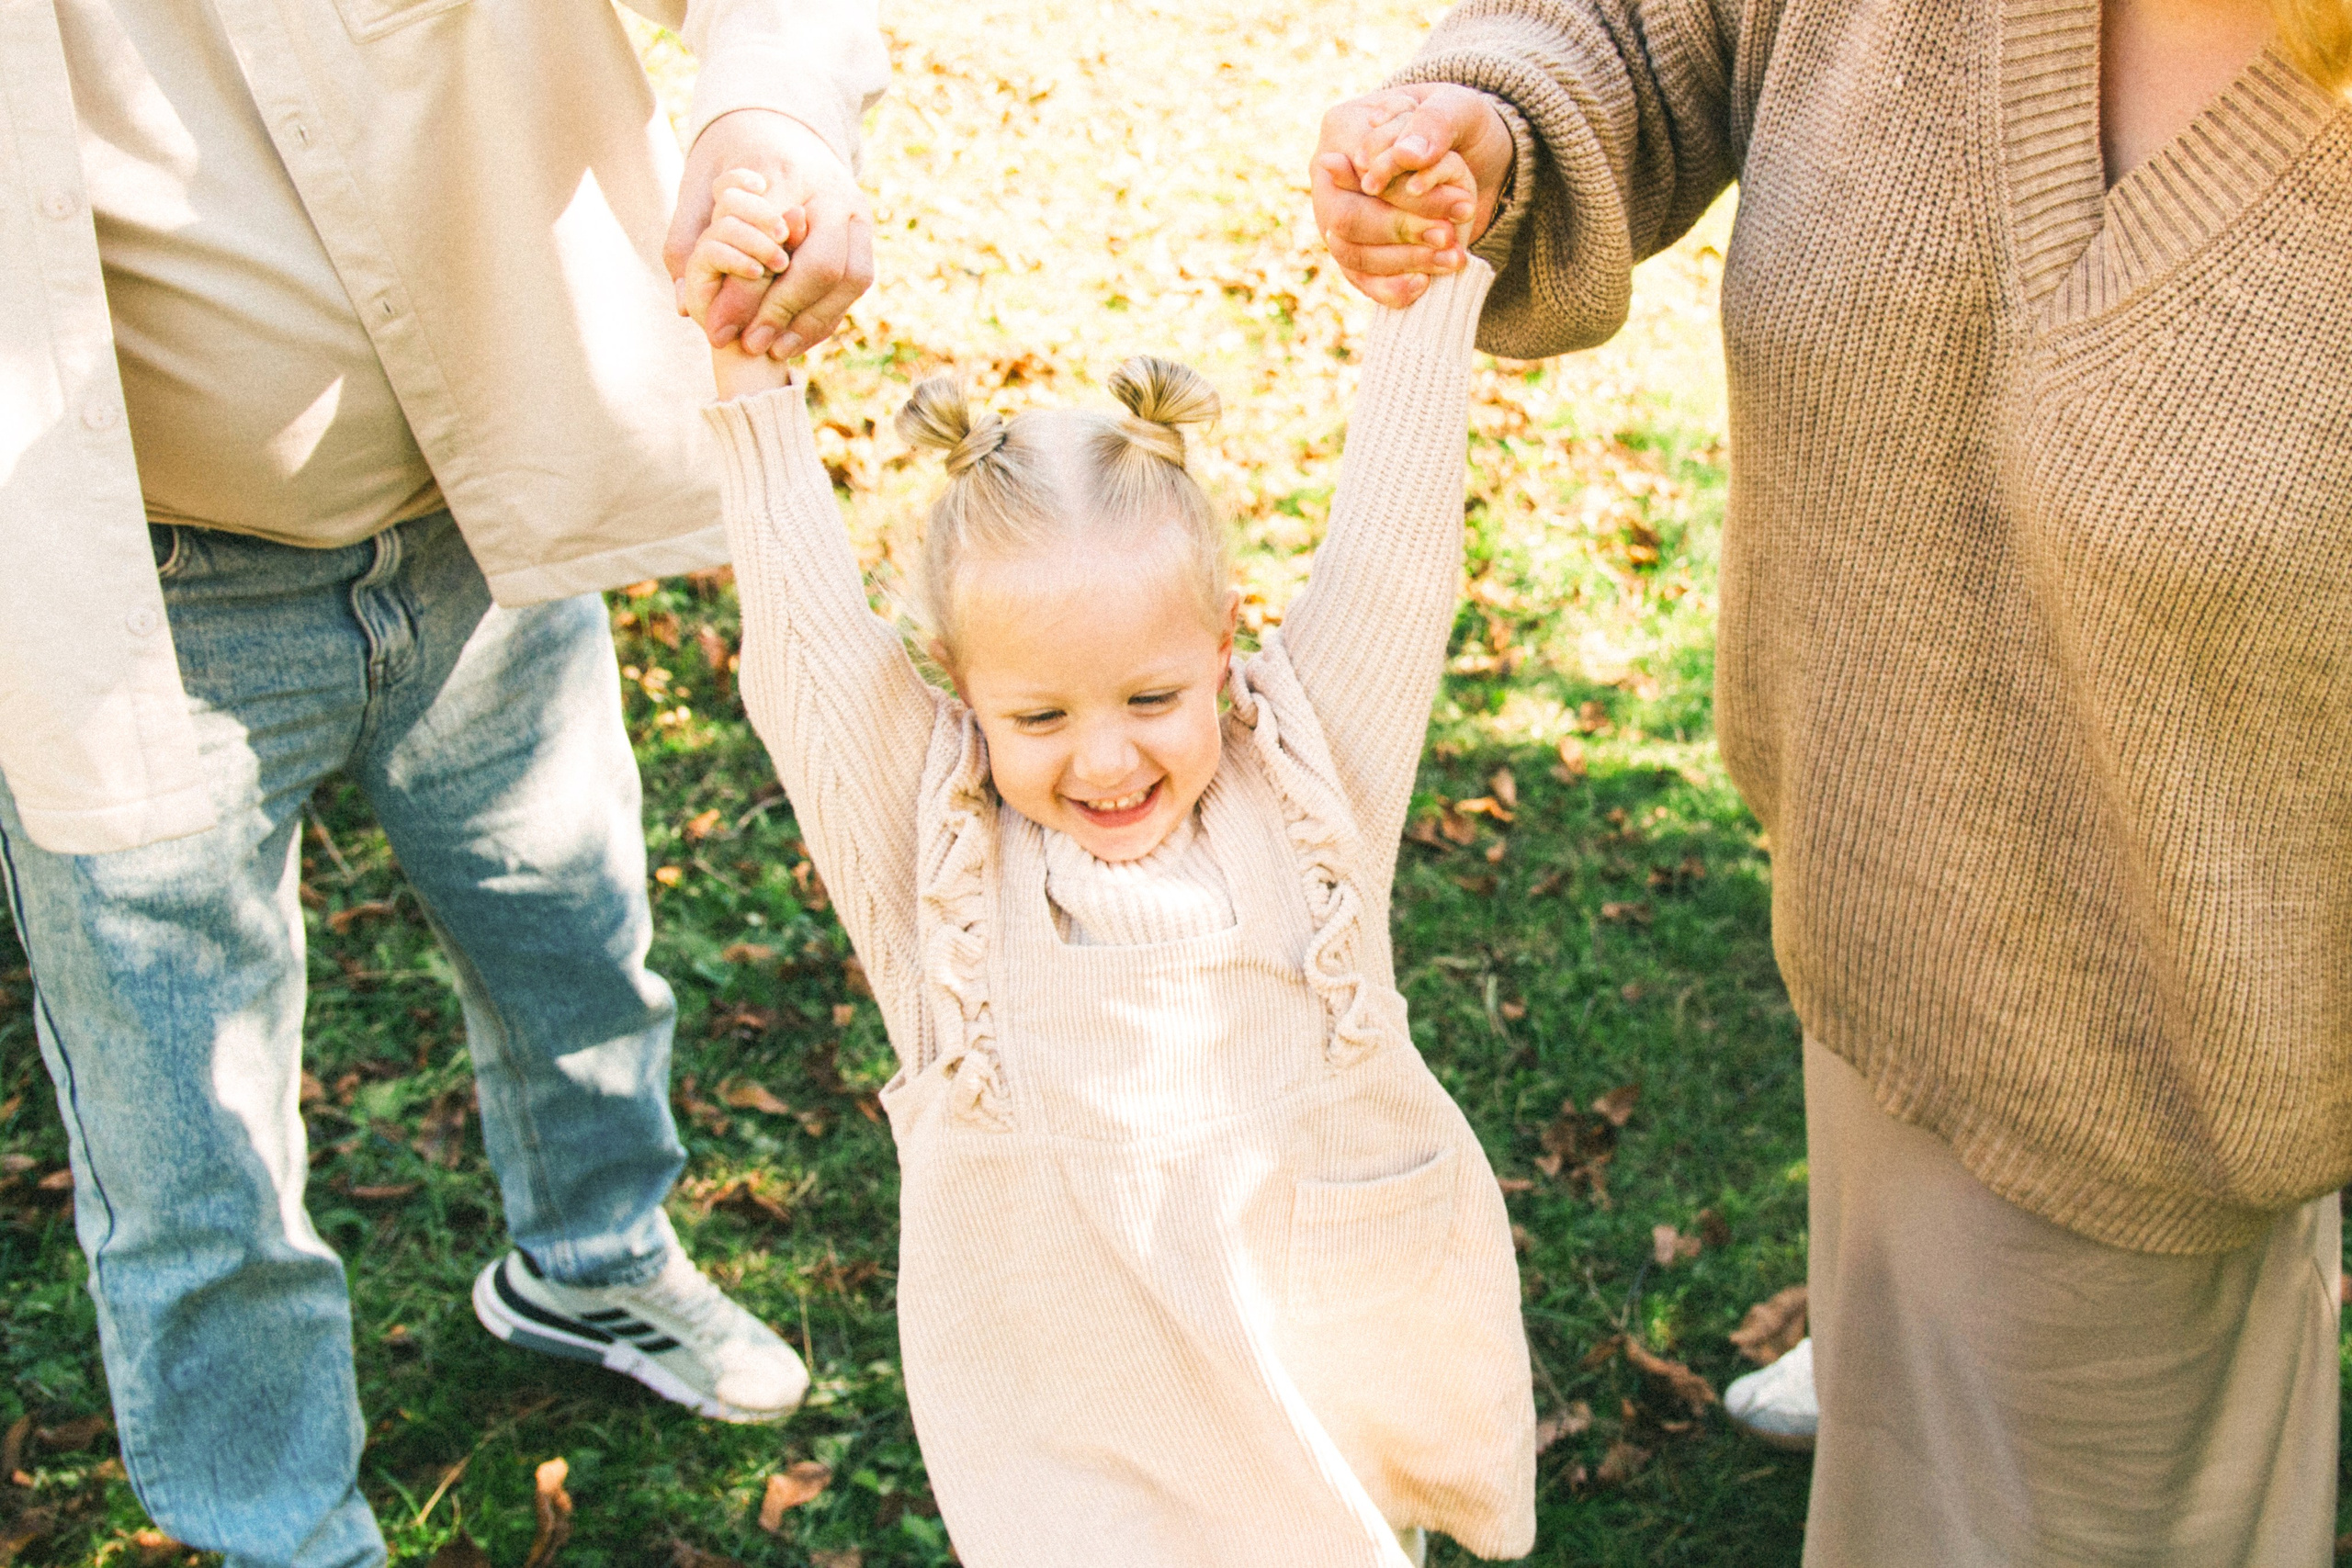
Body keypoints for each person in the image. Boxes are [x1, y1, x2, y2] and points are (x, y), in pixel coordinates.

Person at [1314, 0, 2352, 1560]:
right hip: (1869, 919)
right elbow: (1649, 32)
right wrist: (1497, 130)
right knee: (1907, 1400)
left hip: (2163, 1098)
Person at [0, 2, 884, 1562]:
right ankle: (282, 1532)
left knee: (576, 946)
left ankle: (594, 1264)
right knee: (189, 1145)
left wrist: (776, 117)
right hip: (139, 602)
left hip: (481, 523)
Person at [682, 168, 1535, 1566]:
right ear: (958, 687)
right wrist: (751, 384)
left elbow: (1395, 564)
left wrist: (1427, 282)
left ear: (1223, 643)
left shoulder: (1304, 774)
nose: (1105, 759)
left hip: (1322, 1387)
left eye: (1151, 697)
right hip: (1082, 1460)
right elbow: (809, 666)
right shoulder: (934, 858)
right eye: (1037, 717)